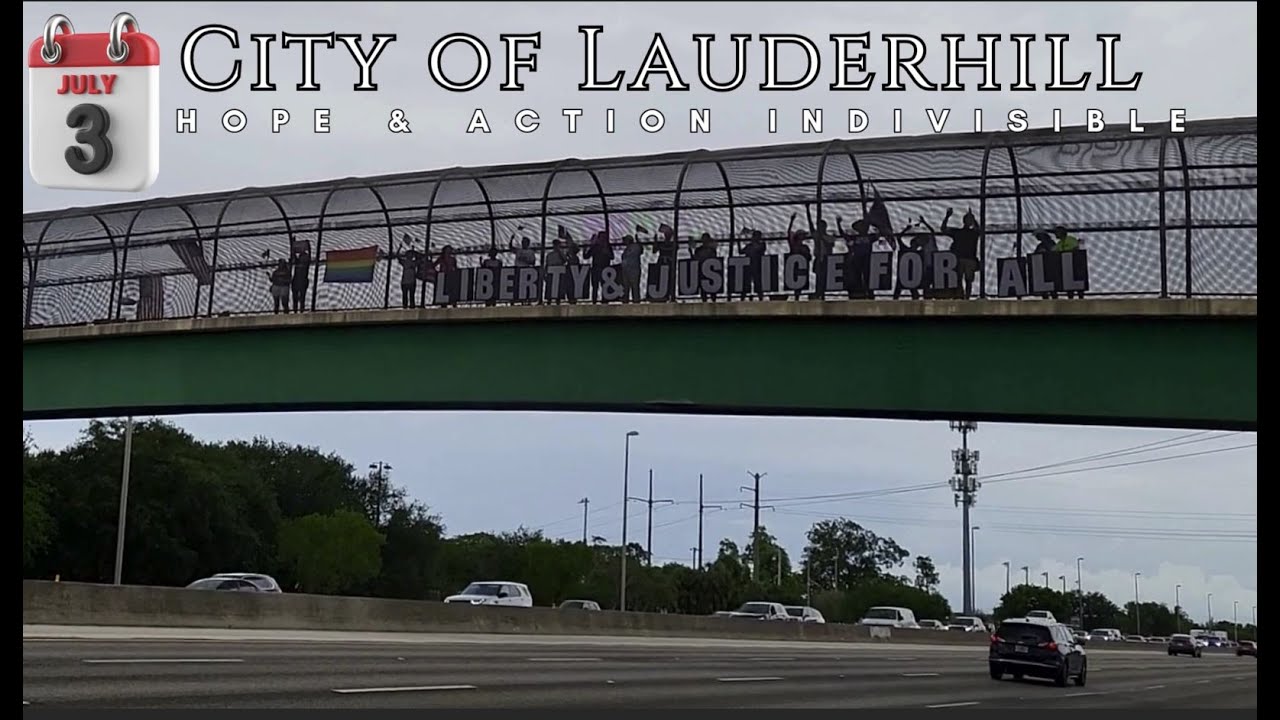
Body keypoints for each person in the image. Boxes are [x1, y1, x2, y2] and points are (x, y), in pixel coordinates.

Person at [941, 207, 982, 299]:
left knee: (968, 280)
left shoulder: (972, 233)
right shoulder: (959, 232)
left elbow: (980, 230)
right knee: (959, 279)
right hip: (961, 259)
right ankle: (961, 296)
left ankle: (966, 297)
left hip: (968, 259)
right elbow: (943, 229)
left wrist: (974, 219)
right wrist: (947, 216)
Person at [1053, 226, 1084, 299]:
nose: (1055, 234)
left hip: (1075, 264)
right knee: (1069, 285)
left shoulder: (1071, 239)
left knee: (1077, 281)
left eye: (1057, 232)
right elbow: (1054, 251)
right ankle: (1070, 298)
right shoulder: (1059, 243)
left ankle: (1081, 298)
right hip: (1066, 266)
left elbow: (1075, 248)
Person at [686, 232, 719, 301]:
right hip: (701, 271)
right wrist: (690, 252)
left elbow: (714, 256)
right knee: (703, 289)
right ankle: (704, 300)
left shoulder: (711, 249)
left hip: (710, 271)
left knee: (712, 290)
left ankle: (713, 301)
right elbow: (695, 259)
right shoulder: (698, 250)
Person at [585, 231, 615, 303]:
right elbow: (586, 256)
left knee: (604, 286)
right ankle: (594, 301)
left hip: (605, 269)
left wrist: (606, 251)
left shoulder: (608, 246)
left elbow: (612, 257)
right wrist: (588, 246)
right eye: (602, 237)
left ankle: (604, 301)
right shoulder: (595, 247)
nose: (602, 239)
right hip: (596, 268)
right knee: (595, 286)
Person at [739, 229, 767, 301]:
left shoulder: (761, 245)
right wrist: (738, 242)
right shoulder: (749, 246)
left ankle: (761, 299)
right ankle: (742, 299)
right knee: (745, 284)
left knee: (758, 284)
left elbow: (760, 249)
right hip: (748, 268)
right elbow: (741, 252)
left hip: (757, 267)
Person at [812, 219, 836, 299]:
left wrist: (822, 238)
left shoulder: (829, 237)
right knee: (818, 276)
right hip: (818, 258)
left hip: (826, 259)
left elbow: (830, 245)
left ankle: (822, 294)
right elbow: (811, 227)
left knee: (825, 277)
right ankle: (818, 292)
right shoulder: (816, 235)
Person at [398, 235, 421, 309]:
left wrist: (414, 249)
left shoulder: (414, 262)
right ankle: (405, 306)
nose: (410, 255)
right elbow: (398, 257)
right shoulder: (405, 262)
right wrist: (399, 248)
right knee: (405, 295)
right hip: (405, 281)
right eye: (409, 254)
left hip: (411, 281)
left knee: (411, 295)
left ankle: (412, 306)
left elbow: (420, 259)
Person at [620, 234, 645, 303]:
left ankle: (636, 300)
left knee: (634, 286)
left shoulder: (635, 246)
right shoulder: (627, 249)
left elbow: (641, 250)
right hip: (626, 270)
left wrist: (638, 241)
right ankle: (626, 300)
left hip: (634, 270)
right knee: (626, 286)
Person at [289, 242, 311, 312]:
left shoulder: (305, 263)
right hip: (296, 281)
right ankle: (296, 310)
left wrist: (308, 247)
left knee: (302, 297)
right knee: (295, 297)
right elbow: (294, 258)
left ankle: (301, 310)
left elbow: (308, 256)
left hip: (302, 281)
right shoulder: (298, 262)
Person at [544, 238, 567, 304]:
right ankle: (549, 300)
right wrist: (545, 273)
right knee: (550, 287)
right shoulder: (549, 255)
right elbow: (547, 264)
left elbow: (565, 260)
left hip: (559, 272)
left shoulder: (562, 254)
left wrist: (559, 252)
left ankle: (558, 301)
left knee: (559, 287)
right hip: (551, 272)